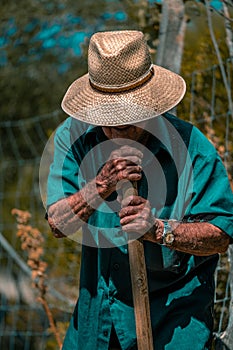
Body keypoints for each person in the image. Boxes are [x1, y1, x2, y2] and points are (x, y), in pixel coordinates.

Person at [46, 30, 233, 350]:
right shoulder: (74, 139)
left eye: (131, 117)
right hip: (96, 323)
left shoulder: (191, 147)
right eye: (110, 118)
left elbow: (220, 234)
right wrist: (99, 187)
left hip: (173, 324)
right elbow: (58, 223)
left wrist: (160, 230)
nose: (120, 127)